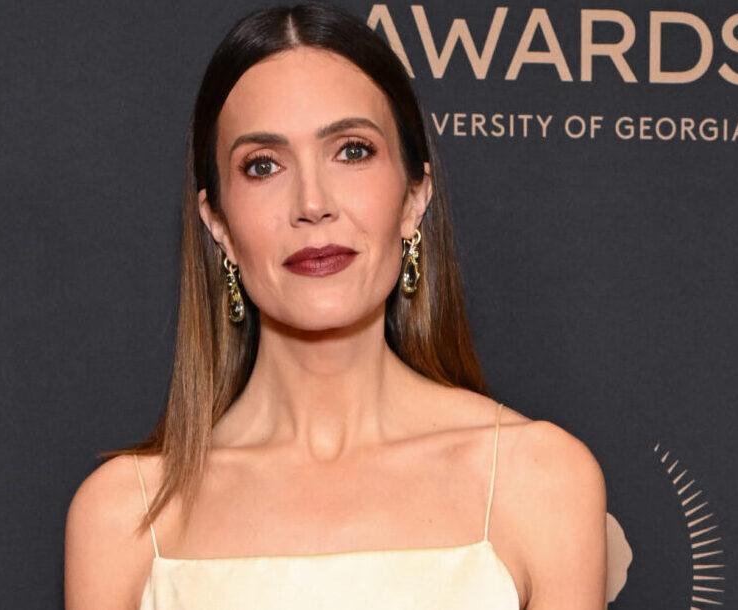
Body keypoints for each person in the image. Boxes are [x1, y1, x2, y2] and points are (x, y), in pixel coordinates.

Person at [65, 3, 605, 609]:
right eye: (263, 165)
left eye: (351, 151)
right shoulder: (125, 515)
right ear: (218, 224)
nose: (312, 203)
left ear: (414, 198)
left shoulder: (538, 479)